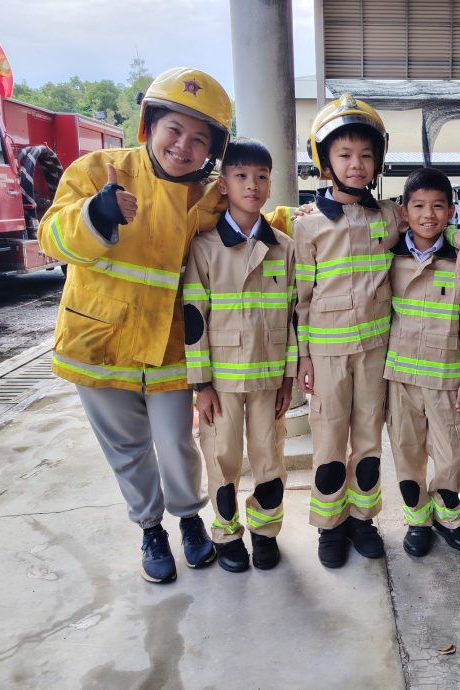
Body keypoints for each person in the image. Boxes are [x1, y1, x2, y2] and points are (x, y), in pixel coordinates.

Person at [38, 67, 290, 584]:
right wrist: (96, 214)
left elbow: (257, 210)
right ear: (149, 123)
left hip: (175, 347)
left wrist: (313, 216)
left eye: (200, 139)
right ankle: (151, 528)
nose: (184, 146)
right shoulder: (97, 171)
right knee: (128, 450)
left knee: (178, 445)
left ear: (213, 152)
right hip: (99, 345)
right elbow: (51, 237)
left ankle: (190, 519)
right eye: (174, 129)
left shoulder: (206, 196)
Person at [293, 94, 460, 568]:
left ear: (378, 161)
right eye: (344, 155)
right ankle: (329, 527)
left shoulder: (387, 216)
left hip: (379, 352)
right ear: (324, 160)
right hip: (329, 356)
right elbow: (299, 299)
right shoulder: (308, 225)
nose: (356, 165)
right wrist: (304, 357)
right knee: (331, 441)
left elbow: (430, 221)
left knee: (370, 443)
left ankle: (363, 519)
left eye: (366, 155)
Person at [183, 139, 295, 573]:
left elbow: (294, 317)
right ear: (224, 184)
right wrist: (201, 385)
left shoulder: (284, 247)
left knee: (269, 458)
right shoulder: (205, 247)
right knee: (222, 458)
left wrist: (288, 378)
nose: (253, 185)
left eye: (262, 177)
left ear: (271, 185)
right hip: (222, 384)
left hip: (270, 383)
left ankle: (266, 534)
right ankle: (227, 534)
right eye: (242, 176)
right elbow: (194, 317)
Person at [384, 168, 460, 557]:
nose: (429, 215)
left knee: (451, 455)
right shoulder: (388, 257)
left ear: (451, 211)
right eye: (419, 206)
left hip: (446, 379)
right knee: (407, 452)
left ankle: (448, 518)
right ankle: (417, 520)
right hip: (400, 377)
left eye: (438, 206)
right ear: (403, 212)